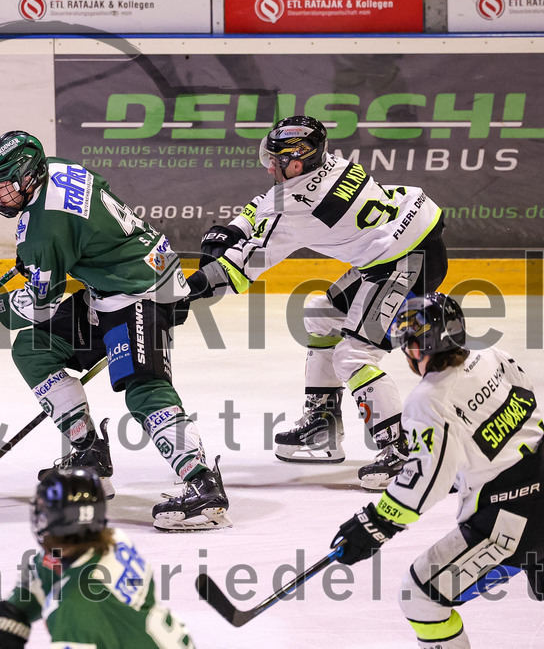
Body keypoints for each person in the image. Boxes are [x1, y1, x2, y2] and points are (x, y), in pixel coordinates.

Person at [0, 130, 229, 531]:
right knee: (34, 350)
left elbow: (43, 305)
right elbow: (77, 235)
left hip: (141, 292)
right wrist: (37, 258)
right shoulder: (59, 171)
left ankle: (203, 485)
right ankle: (89, 455)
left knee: (143, 387)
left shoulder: (44, 229)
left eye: (7, 187)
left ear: (30, 177)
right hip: (124, 282)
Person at [182, 115, 448, 491]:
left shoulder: (298, 210)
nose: (270, 167)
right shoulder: (327, 165)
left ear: (296, 163)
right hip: (401, 244)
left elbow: (240, 270)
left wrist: (184, 291)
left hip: (407, 260)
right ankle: (322, 428)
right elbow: (265, 203)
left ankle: (403, 454)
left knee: (354, 356)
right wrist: (233, 229)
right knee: (321, 317)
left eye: (276, 161)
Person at [330, 292, 544, 648]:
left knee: (422, 597)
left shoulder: (428, 400)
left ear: (416, 349)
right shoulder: (493, 355)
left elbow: (429, 478)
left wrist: (375, 524)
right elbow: (529, 413)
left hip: (511, 517)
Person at [0, 467, 198, 648]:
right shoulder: (116, 542)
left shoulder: (76, 611)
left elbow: (76, 602)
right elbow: (44, 576)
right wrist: (9, 616)